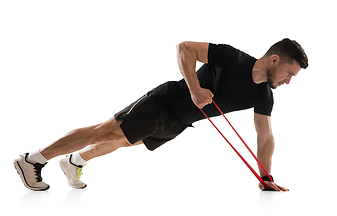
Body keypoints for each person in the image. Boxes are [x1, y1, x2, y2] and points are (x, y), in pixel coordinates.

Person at [14, 38, 308, 192]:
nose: (288, 81)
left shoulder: (263, 95)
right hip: (164, 103)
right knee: (103, 132)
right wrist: (194, 89)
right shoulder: (233, 58)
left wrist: (265, 175)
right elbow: (184, 48)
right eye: (289, 73)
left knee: (125, 142)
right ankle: (33, 160)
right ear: (274, 59)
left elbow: (265, 137)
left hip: (179, 122)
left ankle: (74, 161)